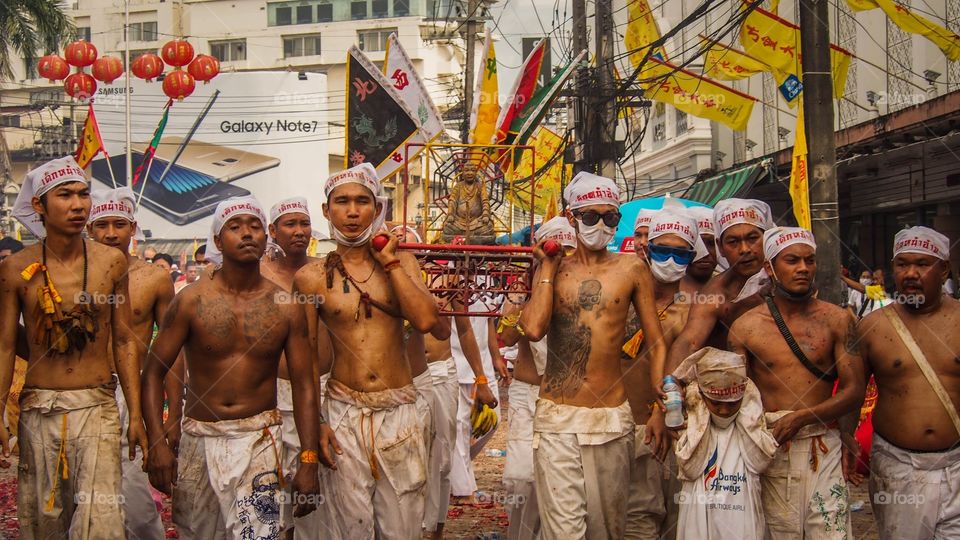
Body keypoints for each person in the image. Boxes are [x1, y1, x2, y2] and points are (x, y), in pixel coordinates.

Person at [142, 196, 325, 538]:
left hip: (258, 437)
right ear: (217, 240)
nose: (247, 234)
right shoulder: (191, 301)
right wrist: (157, 442)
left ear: (265, 237)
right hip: (199, 437)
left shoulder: (286, 306)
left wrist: (308, 457)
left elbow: (303, 385)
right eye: (234, 227)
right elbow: (153, 372)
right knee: (198, 533)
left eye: (255, 226)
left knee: (260, 535)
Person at [292, 163, 448, 538]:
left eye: (362, 201)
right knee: (350, 527)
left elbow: (428, 321)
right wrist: (316, 431)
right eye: (341, 202)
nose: (352, 211)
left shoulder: (402, 263)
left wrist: (390, 261)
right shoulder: (311, 277)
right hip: (343, 410)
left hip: (400, 411)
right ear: (327, 211)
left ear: (378, 210)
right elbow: (305, 365)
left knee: (403, 527)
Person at [0, 156, 147, 538]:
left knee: (102, 522)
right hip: (39, 407)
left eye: (83, 194)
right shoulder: (16, 269)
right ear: (39, 206)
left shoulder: (111, 262)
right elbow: (3, 345)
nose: (79, 204)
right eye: (65, 195)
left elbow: (123, 339)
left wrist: (135, 413)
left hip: (98, 405)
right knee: (45, 521)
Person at [519, 171, 667, 538]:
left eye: (610, 217)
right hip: (557, 417)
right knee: (565, 531)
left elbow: (657, 341)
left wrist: (662, 407)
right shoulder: (554, 269)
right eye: (591, 216)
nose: (601, 225)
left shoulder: (632, 268)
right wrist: (547, 270)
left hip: (611, 418)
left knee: (606, 529)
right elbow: (534, 328)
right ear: (572, 218)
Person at [726, 227, 865, 539]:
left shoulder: (838, 320)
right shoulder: (746, 327)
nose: (803, 268)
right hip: (769, 447)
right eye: (792, 260)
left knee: (832, 533)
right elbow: (738, 397)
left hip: (822, 444)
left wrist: (806, 418)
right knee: (776, 533)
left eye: (809, 260)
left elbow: (854, 389)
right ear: (770, 268)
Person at [858, 226, 960, 539]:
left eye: (922, 264)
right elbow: (852, 392)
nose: (911, 273)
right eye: (902, 264)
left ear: (944, 270)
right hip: (899, 469)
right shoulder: (872, 327)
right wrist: (846, 443)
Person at [87, 187, 176, 539]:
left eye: (119, 224)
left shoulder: (154, 278)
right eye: (102, 225)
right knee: (87, 495)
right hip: (87, 391)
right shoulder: (72, 278)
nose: (111, 233)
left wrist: (173, 415)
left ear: (133, 228)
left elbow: (170, 350)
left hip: (134, 392)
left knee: (135, 495)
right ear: (90, 230)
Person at [398, 226, 498, 539]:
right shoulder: (384, 281)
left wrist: (481, 377)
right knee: (403, 456)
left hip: (441, 373)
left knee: (440, 459)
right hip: (400, 378)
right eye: (400, 250)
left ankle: (434, 529)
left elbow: (465, 331)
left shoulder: (443, 282)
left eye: (412, 250)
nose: (407, 257)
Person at [622, 209, 703, 539]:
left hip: (675, 431)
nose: (670, 259)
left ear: (691, 257)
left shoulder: (696, 312)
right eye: (661, 250)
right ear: (645, 248)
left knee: (674, 522)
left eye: (680, 253)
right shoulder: (621, 298)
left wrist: (663, 412)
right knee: (632, 522)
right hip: (620, 426)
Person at [498, 216, 577, 540]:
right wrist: (521, 296)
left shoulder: (586, 290)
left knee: (562, 481)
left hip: (568, 400)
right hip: (528, 395)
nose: (561, 259)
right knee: (524, 480)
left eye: (568, 252)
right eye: (553, 252)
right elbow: (507, 336)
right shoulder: (526, 288)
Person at [259, 196, 324, 538]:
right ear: (272, 230)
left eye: (304, 224)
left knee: (317, 486)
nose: (299, 231)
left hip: (320, 389)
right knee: (273, 483)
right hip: (271, 394)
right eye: (290, 224)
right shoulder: (256, 274)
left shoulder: (324, 271)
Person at [659, 199, 775, 386]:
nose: (744, 249)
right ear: (720, 246)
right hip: (733, 394)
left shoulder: (787, 277)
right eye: (733, 242)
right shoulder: (717, 291)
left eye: (752, 238)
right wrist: (671, 386)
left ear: (767, 238)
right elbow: (689, 342)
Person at [673, 347, 778, 539]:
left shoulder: (750, 426)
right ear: (703, 397)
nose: (723, 411)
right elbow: (691, 467)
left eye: (732, 403)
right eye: (716, 403)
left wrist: (746, 406)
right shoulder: (692, 423)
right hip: (699, 507)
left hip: (742, 510)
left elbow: (760, 461)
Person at [682, 205, 718, 294]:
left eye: (711, 243)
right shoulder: (660, 289)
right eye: (697, 245)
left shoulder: (734, 290)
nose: (705, 253)